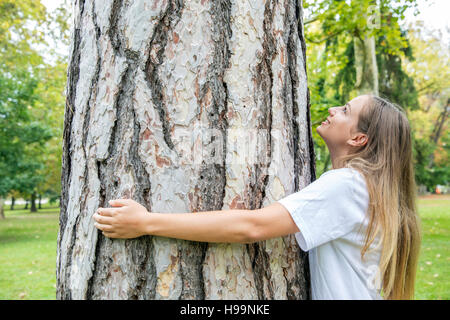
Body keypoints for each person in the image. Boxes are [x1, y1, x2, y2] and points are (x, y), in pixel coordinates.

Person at [93, 95, 421, 300]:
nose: (334, 110)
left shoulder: (348, 186)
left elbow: (252, 226)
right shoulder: (367, 189)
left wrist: (146, 222)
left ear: (359, 138)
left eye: (346, 111)